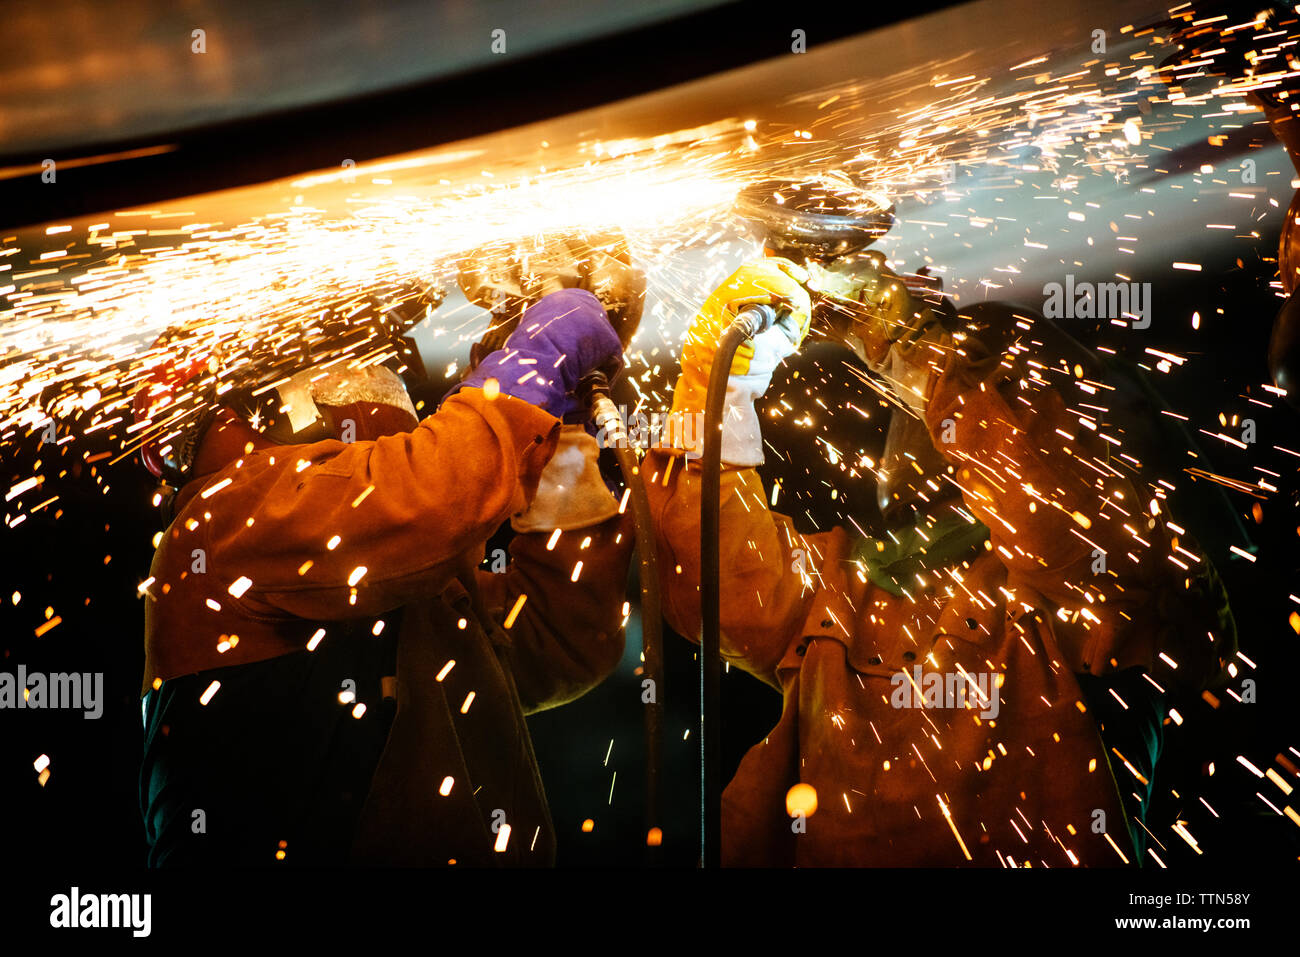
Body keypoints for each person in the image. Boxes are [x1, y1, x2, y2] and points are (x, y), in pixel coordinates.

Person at [646, 253, 1236, 866]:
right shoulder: (847, 593)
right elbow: (708, 574)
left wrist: (918, 346)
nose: (941, 440)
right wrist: (715, 383)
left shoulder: (1099, 593)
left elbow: (1058, 502)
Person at [138, 287, 634, 866]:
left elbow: (561, 639)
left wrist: (559, 430)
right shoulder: (223, 520)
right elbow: (429, 497)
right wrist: (530, 367)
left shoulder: (392, 567)